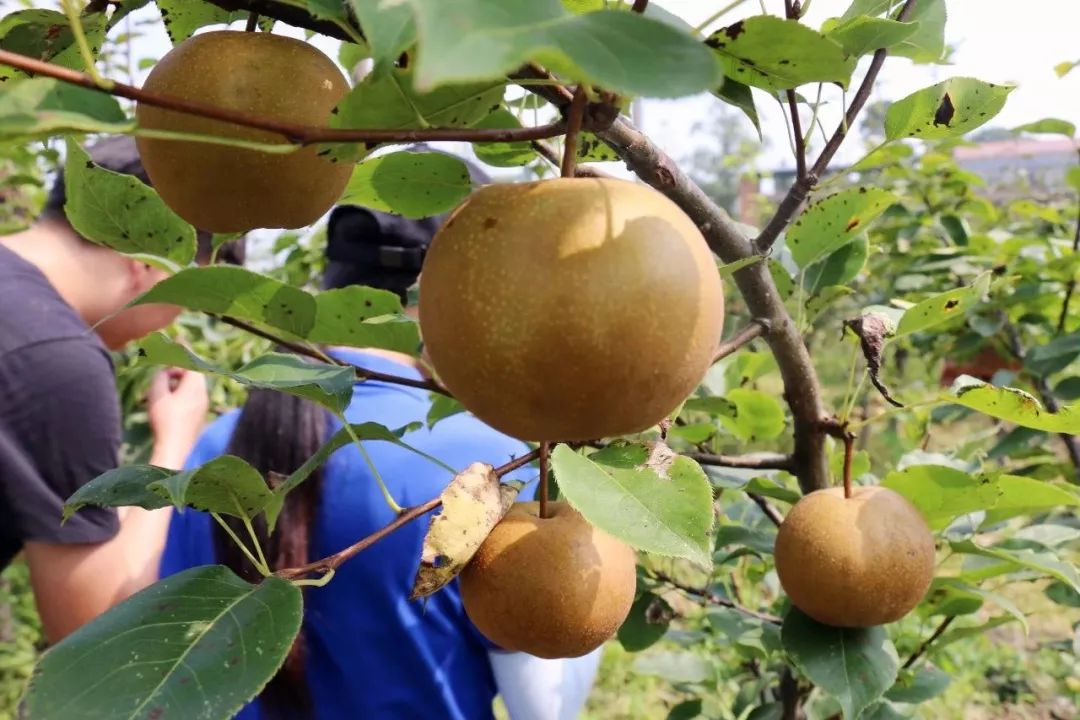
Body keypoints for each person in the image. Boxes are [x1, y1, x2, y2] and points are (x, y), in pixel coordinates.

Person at [159, 193, 602, 719]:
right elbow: (545, 707)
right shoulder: (495, 464)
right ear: (460, 299)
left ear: (332, 289)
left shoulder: (215, 449)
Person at [0, 136, 240, 643]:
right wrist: (175, 443)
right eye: (189, 294)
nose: (178, 317)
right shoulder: (55, 361)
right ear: (148, 261)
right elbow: (93, 625)